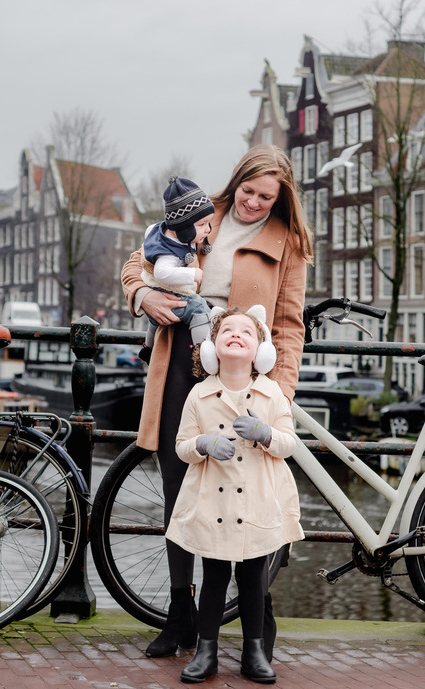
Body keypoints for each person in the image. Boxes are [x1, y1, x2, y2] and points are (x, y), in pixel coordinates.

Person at [121, 144, 311, 660]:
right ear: (235, 183)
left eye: (265, 197)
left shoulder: (288, 243)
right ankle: (179, 616)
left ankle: (257, 616)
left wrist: (281, 396)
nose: (252, 203)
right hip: (182, 365)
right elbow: (137, 263)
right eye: (247, 191)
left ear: (281, 197)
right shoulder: (201, 215)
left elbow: (290, 328)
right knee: (181, 489)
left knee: (255, 486)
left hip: (246, 374)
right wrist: (143, 296)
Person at [169, 306, 302, 684]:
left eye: (247, 331)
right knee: (213, 577)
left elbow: (289, 443)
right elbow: (181, 445)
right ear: (212, 346)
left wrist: (265, 434)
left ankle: (254, 650)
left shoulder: (271, 392)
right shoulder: (200, 395)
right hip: (214, 502)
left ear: (259, 349)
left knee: (253, 579)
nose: (236, 335)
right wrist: (204, 443)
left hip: (257, 500)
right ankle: (206, 650)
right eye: (227, 329)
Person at [138, 176, 216, 364]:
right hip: (166, 292)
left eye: (208, 223)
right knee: (198, 308)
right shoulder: (169, 253)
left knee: (154, 321)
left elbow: (150, 230)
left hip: (156, 290)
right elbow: (161, 273)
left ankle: (147, 349)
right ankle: (202, 354)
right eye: (201, 225)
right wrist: (192, 274)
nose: (207, 230)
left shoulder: (164, 232)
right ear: (183, 227)